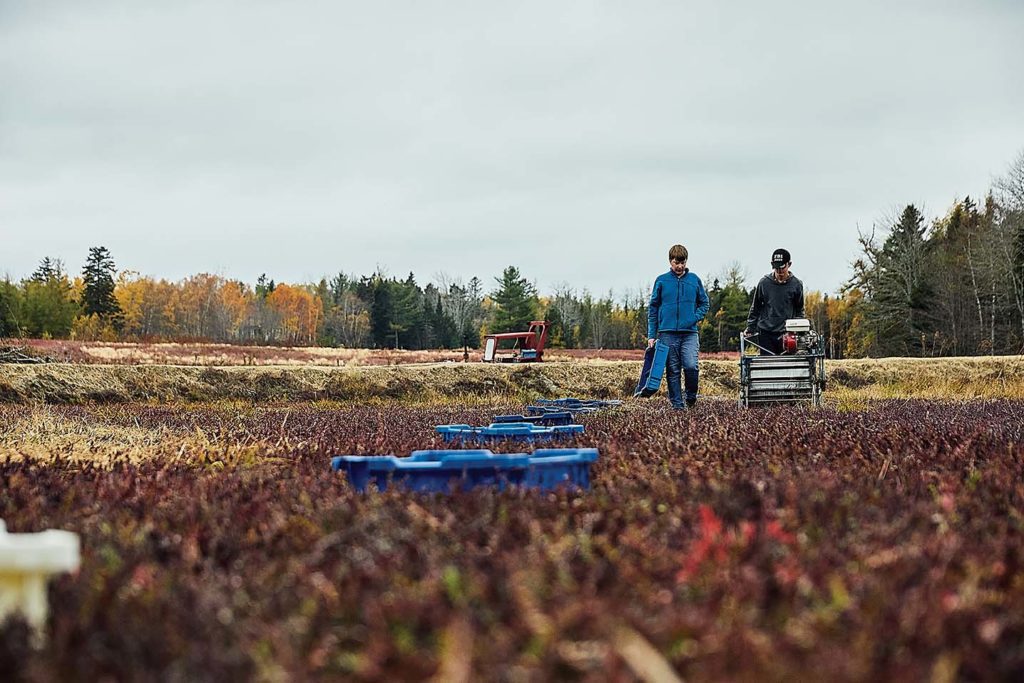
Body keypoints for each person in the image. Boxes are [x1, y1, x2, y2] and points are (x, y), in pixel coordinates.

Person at [647, 244, 710, 409]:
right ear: (670, 261)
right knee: (673, 370)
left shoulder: (694, 280)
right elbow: (653, 309)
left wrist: (694, 318)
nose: (680, 266)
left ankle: (691, 396)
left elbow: (704, 303)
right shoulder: (661, 281)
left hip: (689, 333)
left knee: (690, 365)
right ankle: (677, 406)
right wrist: (652, 335)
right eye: (676, 263)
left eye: (683, 263)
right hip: (667, 333)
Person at [744, 248, 805, 355]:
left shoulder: (796, 285)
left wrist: (798, 329)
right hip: (766, 332)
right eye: (776, 268)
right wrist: (750, 327)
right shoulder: (764, 283)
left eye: (782, 268)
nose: (779, 271)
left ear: (789, 264)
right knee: (768, 366)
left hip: (786, 334)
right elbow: (756, 307)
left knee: (787, 367)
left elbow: (799, 309)